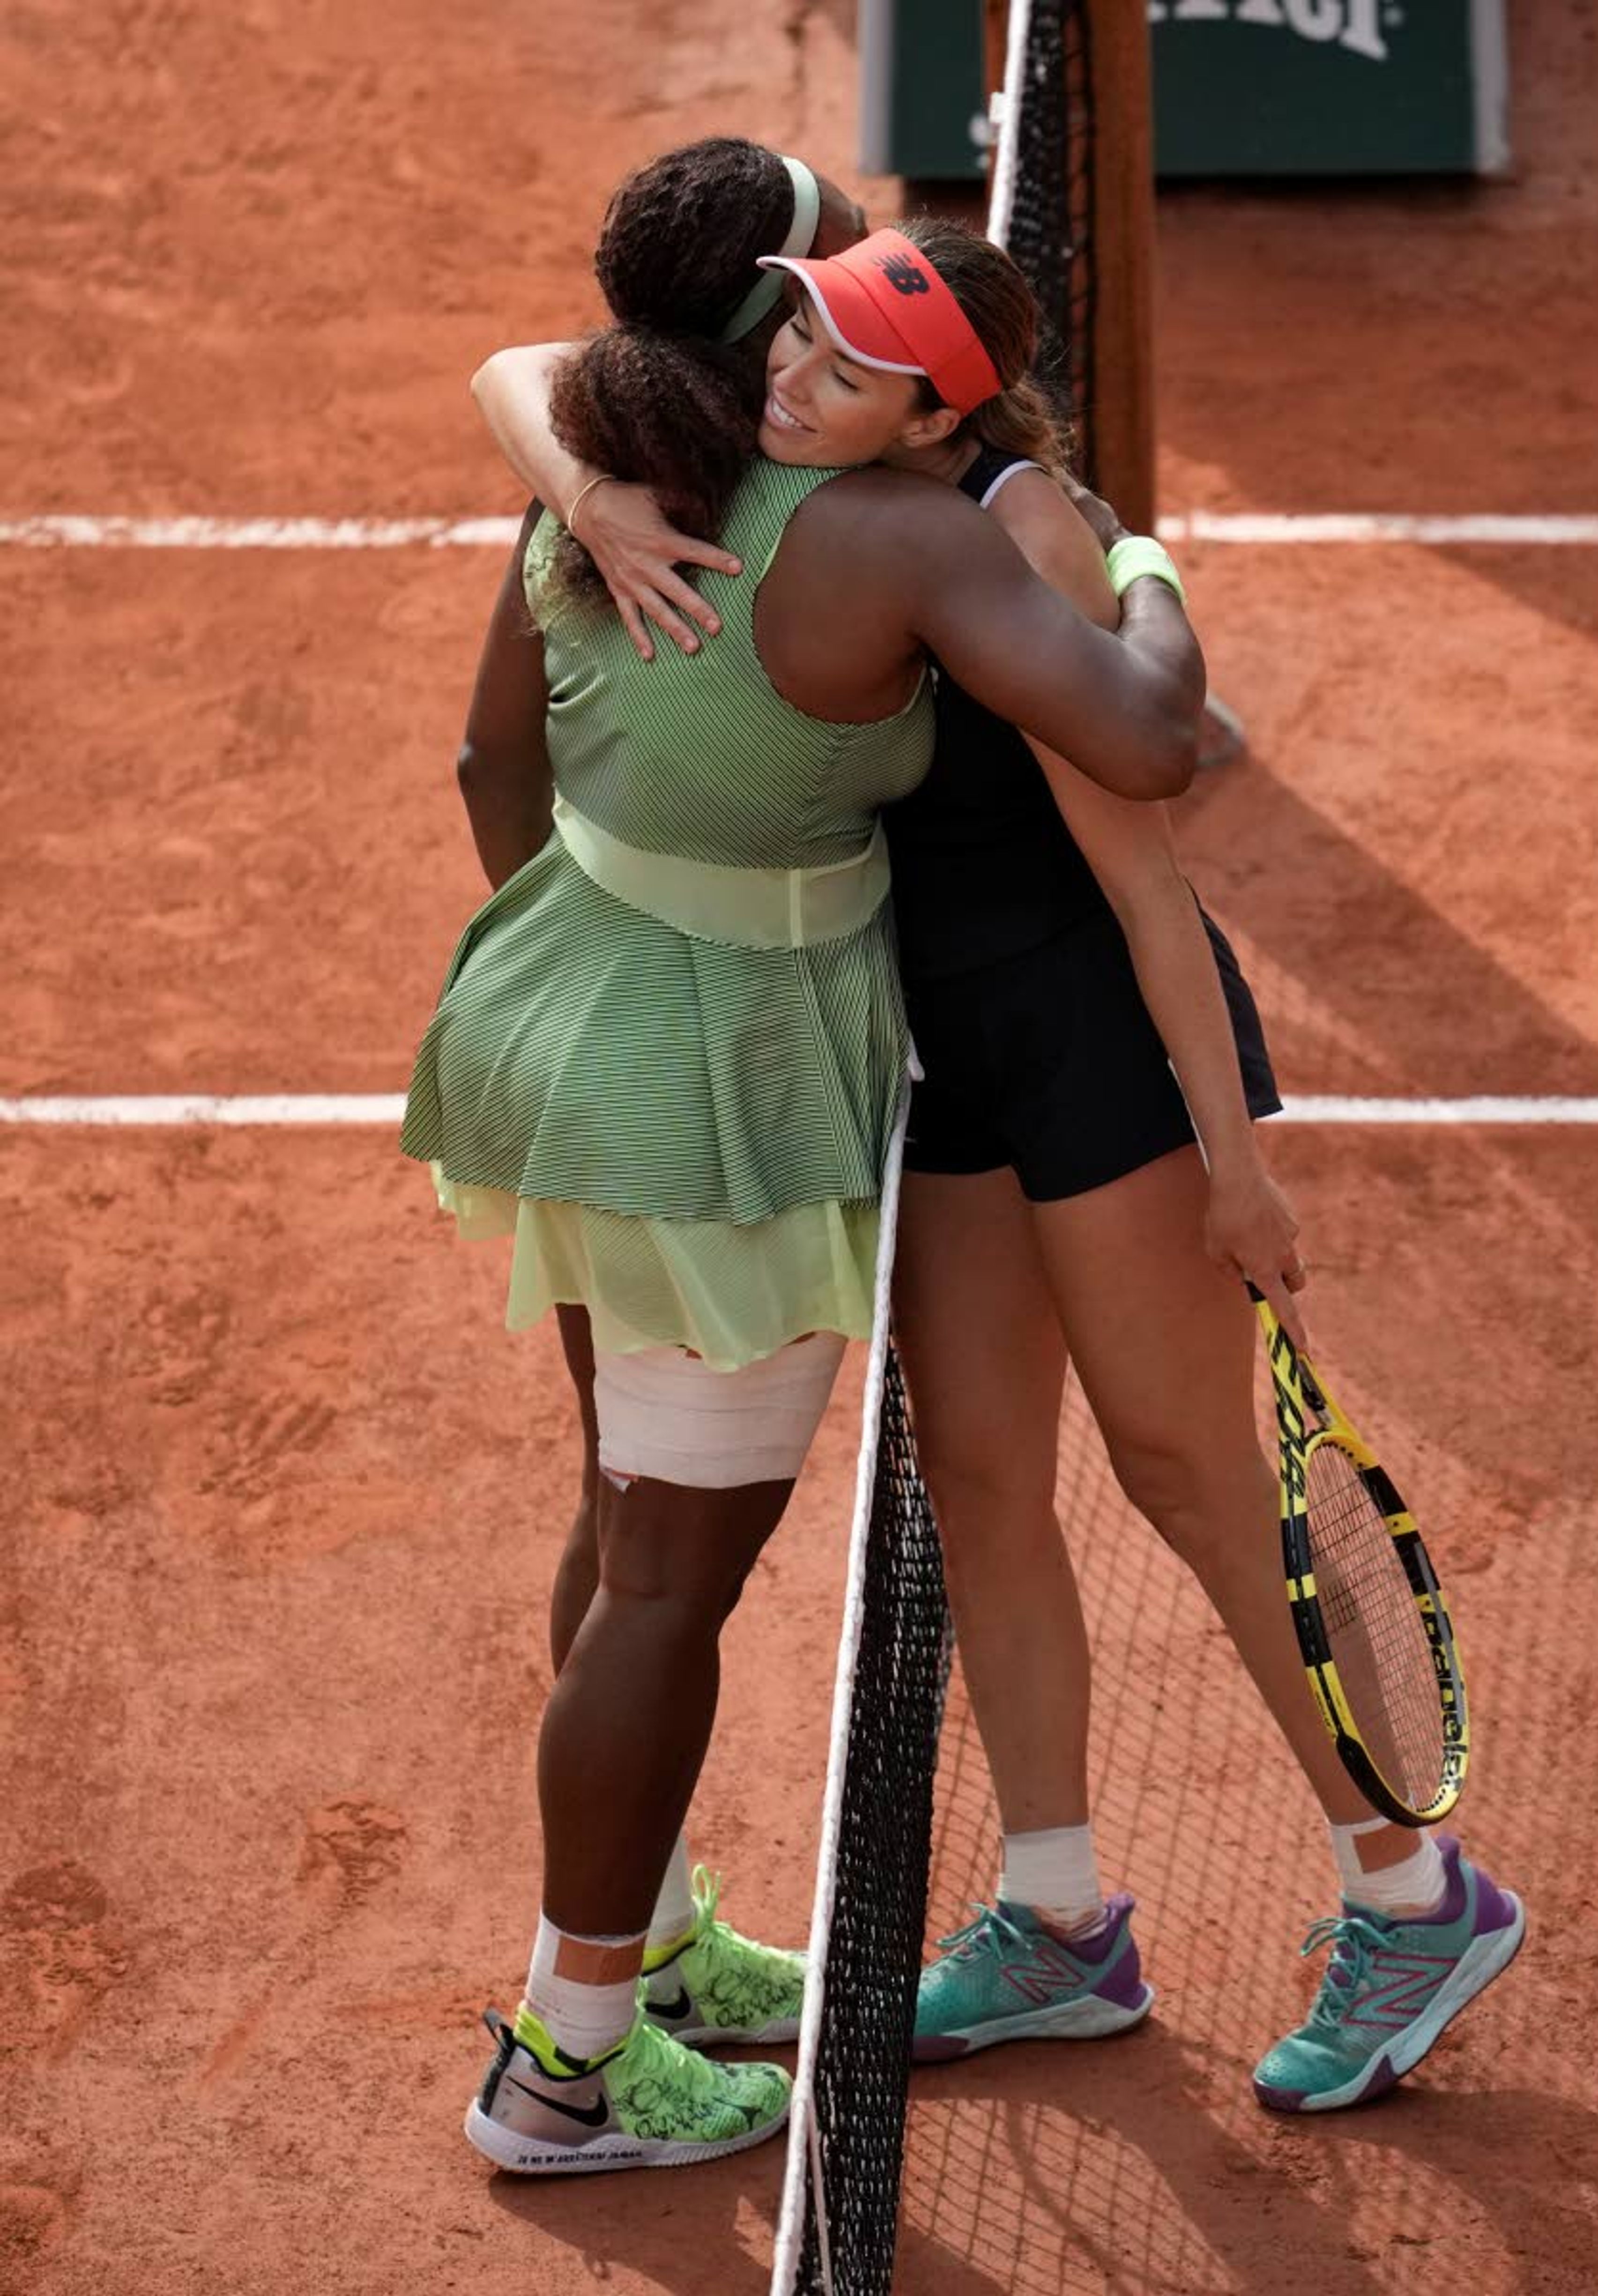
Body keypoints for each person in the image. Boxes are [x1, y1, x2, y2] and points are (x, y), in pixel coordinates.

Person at [479, 205, 1526, 2118]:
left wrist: (1238, 1152)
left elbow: (1148, 864)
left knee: (1203, 1485)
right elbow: (539, 373)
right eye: (795, 338)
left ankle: (1414, 1885)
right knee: (978, 1486)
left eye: (845, 365)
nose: (792, 376)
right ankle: (1058, 1917)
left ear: (930, 410)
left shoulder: (1021, 532)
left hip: (1096, 1063)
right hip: (938, 1059)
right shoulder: (832, 484)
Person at [405, 152, 1205, 2177]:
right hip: (710, 1098)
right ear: (771, 296)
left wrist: (608, 969)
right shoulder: (899, 539)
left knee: (626, 1510)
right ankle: (563, 2065)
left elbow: (493, 762)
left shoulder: (601, 452)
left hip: (542, 1015)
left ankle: (653, 1943)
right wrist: (1144, 565)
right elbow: (1150, 743)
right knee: (672, 1577)